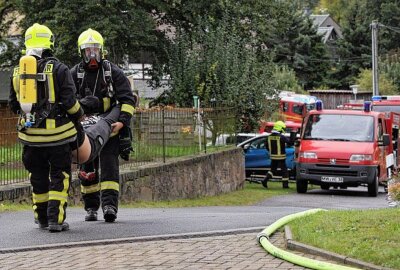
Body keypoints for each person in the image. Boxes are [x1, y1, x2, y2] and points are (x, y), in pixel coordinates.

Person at [9, 23, 84, 232]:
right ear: (50, 42)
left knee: (38, 178)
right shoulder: (59, 69)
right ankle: (55, 220)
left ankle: (41, 218)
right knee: (59, 176)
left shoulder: (17, 72)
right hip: (58, 138)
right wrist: (80, 114)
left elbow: (14, 105)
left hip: (30, 139)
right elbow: (70, 103)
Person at [70, 28, 136, 223]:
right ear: (81, 52)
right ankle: (91, 208)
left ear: (101, 51)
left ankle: (109, 207)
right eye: (88, 51)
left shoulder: (112, 72)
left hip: (110, 125)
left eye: (95, 51)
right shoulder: (75, 73)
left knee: (109, 167)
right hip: (86, 126)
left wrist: (121, 122)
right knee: (87, 168)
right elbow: (69, 99)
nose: (92, 55)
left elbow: (127, 100)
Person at [265, 121, 290, 189]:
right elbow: (290, 142)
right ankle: (285, 185)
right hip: (281, 157)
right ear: (280, 128)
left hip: (273, 157)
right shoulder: (281, 137)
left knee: (272, 170)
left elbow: (266, 146)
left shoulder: (269, 137)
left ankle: (265, 180)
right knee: (284, 171)